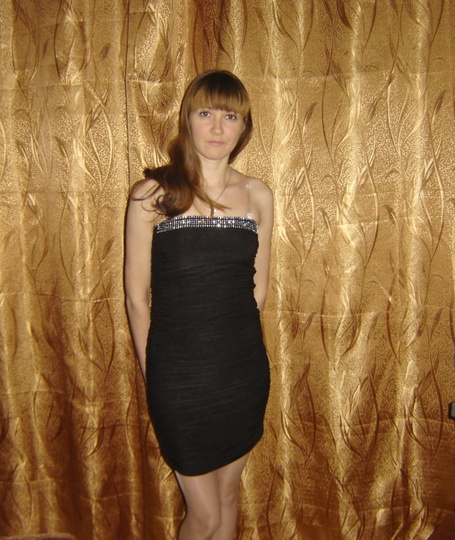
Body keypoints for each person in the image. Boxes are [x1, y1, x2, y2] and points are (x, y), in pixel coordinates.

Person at [125, 70, 273, 540]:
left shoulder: (258, 195)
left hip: (242, 374)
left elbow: (258, 291)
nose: (216, 127)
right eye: (205, 113)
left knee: (227, 499)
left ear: (244, 126)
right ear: (187, 119)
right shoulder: (152, 195)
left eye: (230, 116)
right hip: (177, 378)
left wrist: (237, 354)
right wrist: (154, 373)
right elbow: (136, 298)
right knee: (204, 516)